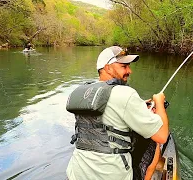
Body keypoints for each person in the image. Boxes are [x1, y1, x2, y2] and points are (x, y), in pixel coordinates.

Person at [66, 46, 169, 180]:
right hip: (113, 175)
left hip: (76, 173)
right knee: (152, 139)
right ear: (108, 67)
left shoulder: (83, 93)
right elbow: (162, 136)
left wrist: (139, 106)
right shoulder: (125, 93)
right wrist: (159, 102)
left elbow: (106, 115)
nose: (129, 71)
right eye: (124, 66)